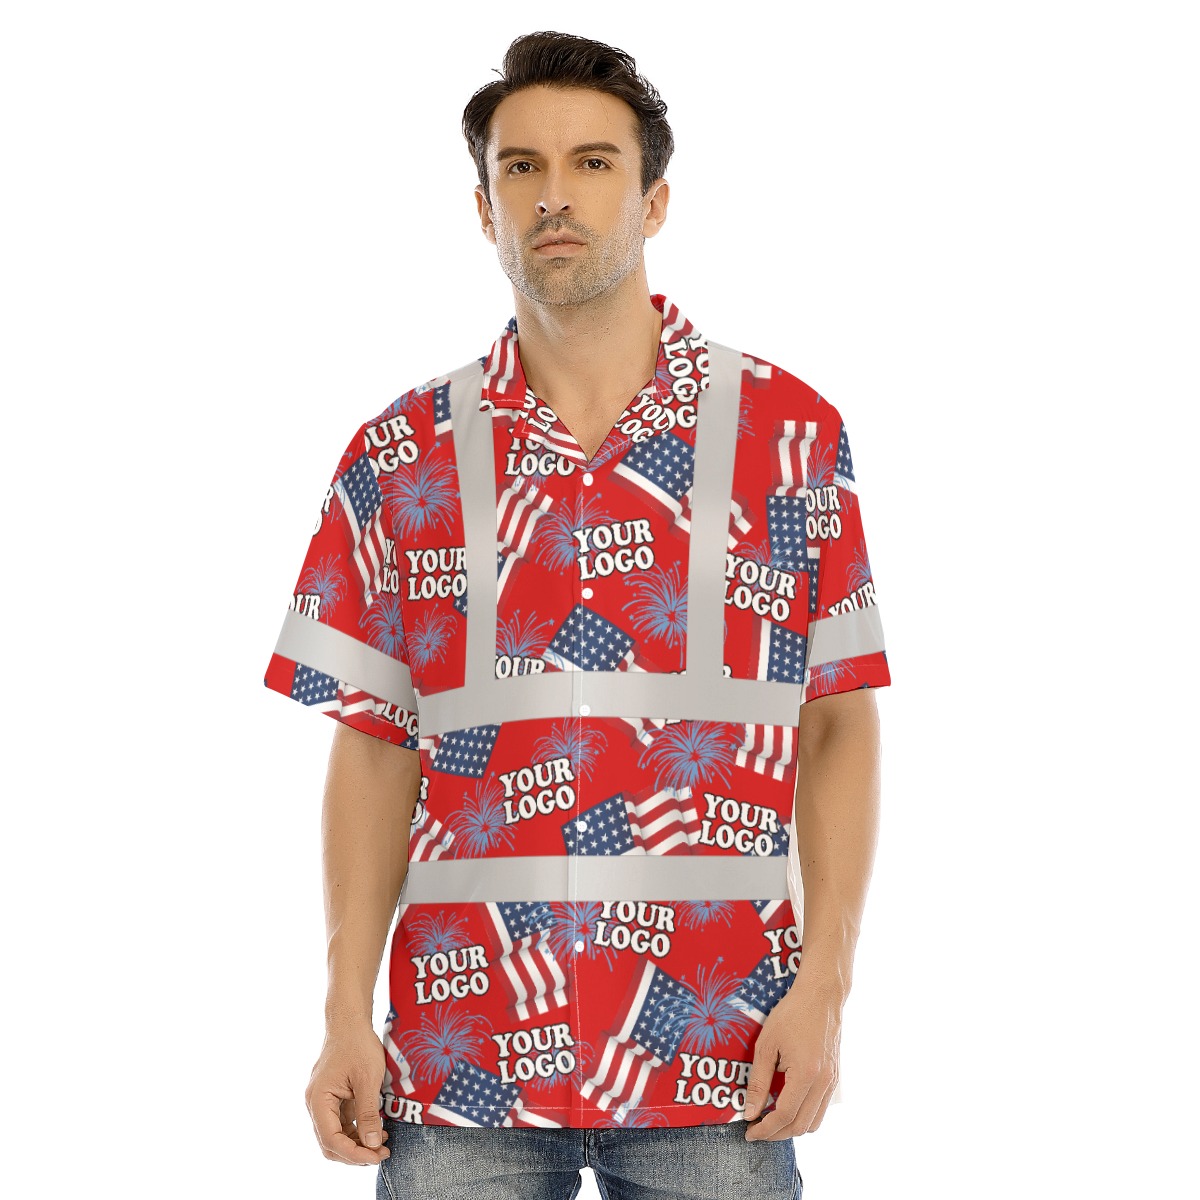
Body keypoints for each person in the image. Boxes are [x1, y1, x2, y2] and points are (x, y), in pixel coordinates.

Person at [263, 29, 891, 1200]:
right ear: (484, 208)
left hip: (722, 1059)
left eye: (594, 163)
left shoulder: (789, 435)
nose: (555, 195)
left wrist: (828, 988)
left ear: (654, 202)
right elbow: (374, 743)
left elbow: (838, 721)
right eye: (523, 167)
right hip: (461, 1071)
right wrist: (344, 1011)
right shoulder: (399, 455)